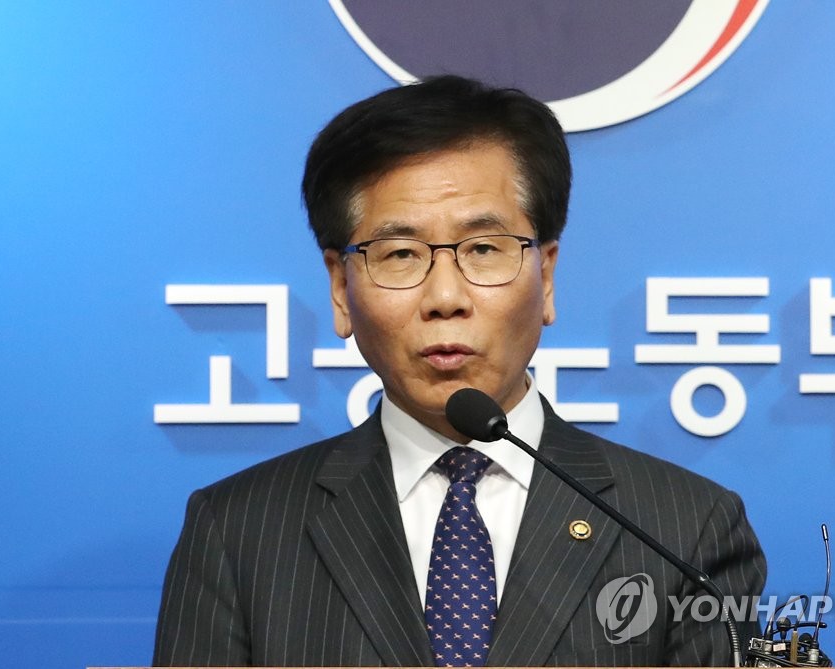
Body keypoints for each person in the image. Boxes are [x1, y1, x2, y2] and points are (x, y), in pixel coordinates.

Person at [153, 75, 766, 667]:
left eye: (483, 249)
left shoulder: (687, 530)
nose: (445, 297)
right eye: (399, 253)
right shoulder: (237, 533)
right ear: (340, 289)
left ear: (546, 275)